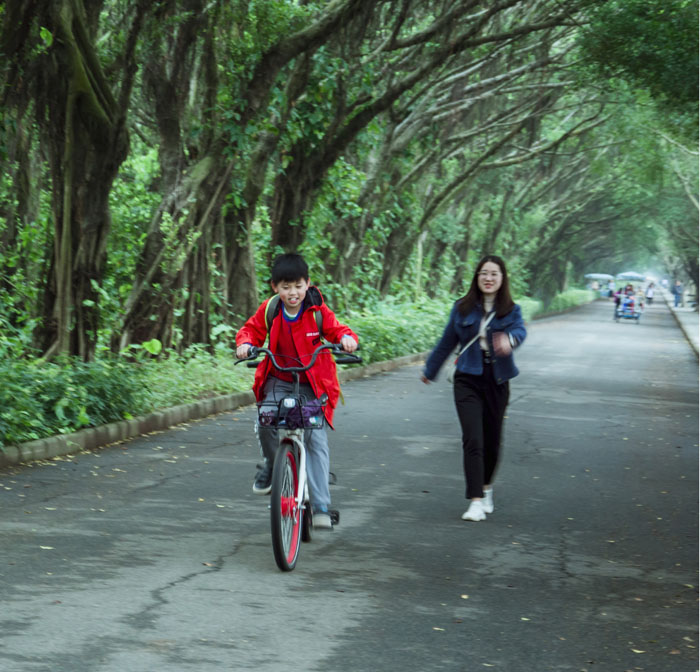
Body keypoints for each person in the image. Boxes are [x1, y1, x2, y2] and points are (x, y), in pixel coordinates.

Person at [235, 253, 358, 529]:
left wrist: (347, 340)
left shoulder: (316, 310)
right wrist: (245, 344)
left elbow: (338, 330)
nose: (293, 293)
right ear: (275, 287)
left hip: (312, 384)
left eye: (298, 286)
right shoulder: (271, 309)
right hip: (278, 379)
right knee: (266, 419)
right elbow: (250, 331)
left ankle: (321, 506)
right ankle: (271, 463)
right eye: (286, 287)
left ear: (308, 284)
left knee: (314, 438)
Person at [421, 255, 526, 522]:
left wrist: (509, 341)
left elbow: (519, 332)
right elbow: (447, 341)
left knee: (492, 440)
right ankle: (475, 500)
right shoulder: (463, 308)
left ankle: (487, 487)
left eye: (494, 274)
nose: (488, 278)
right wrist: (430, 370)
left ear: (502, 279)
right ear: (476, 277)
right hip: (467, 378)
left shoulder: (511, 309)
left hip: (497, 379)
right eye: (483, 273)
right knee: (473, 438)